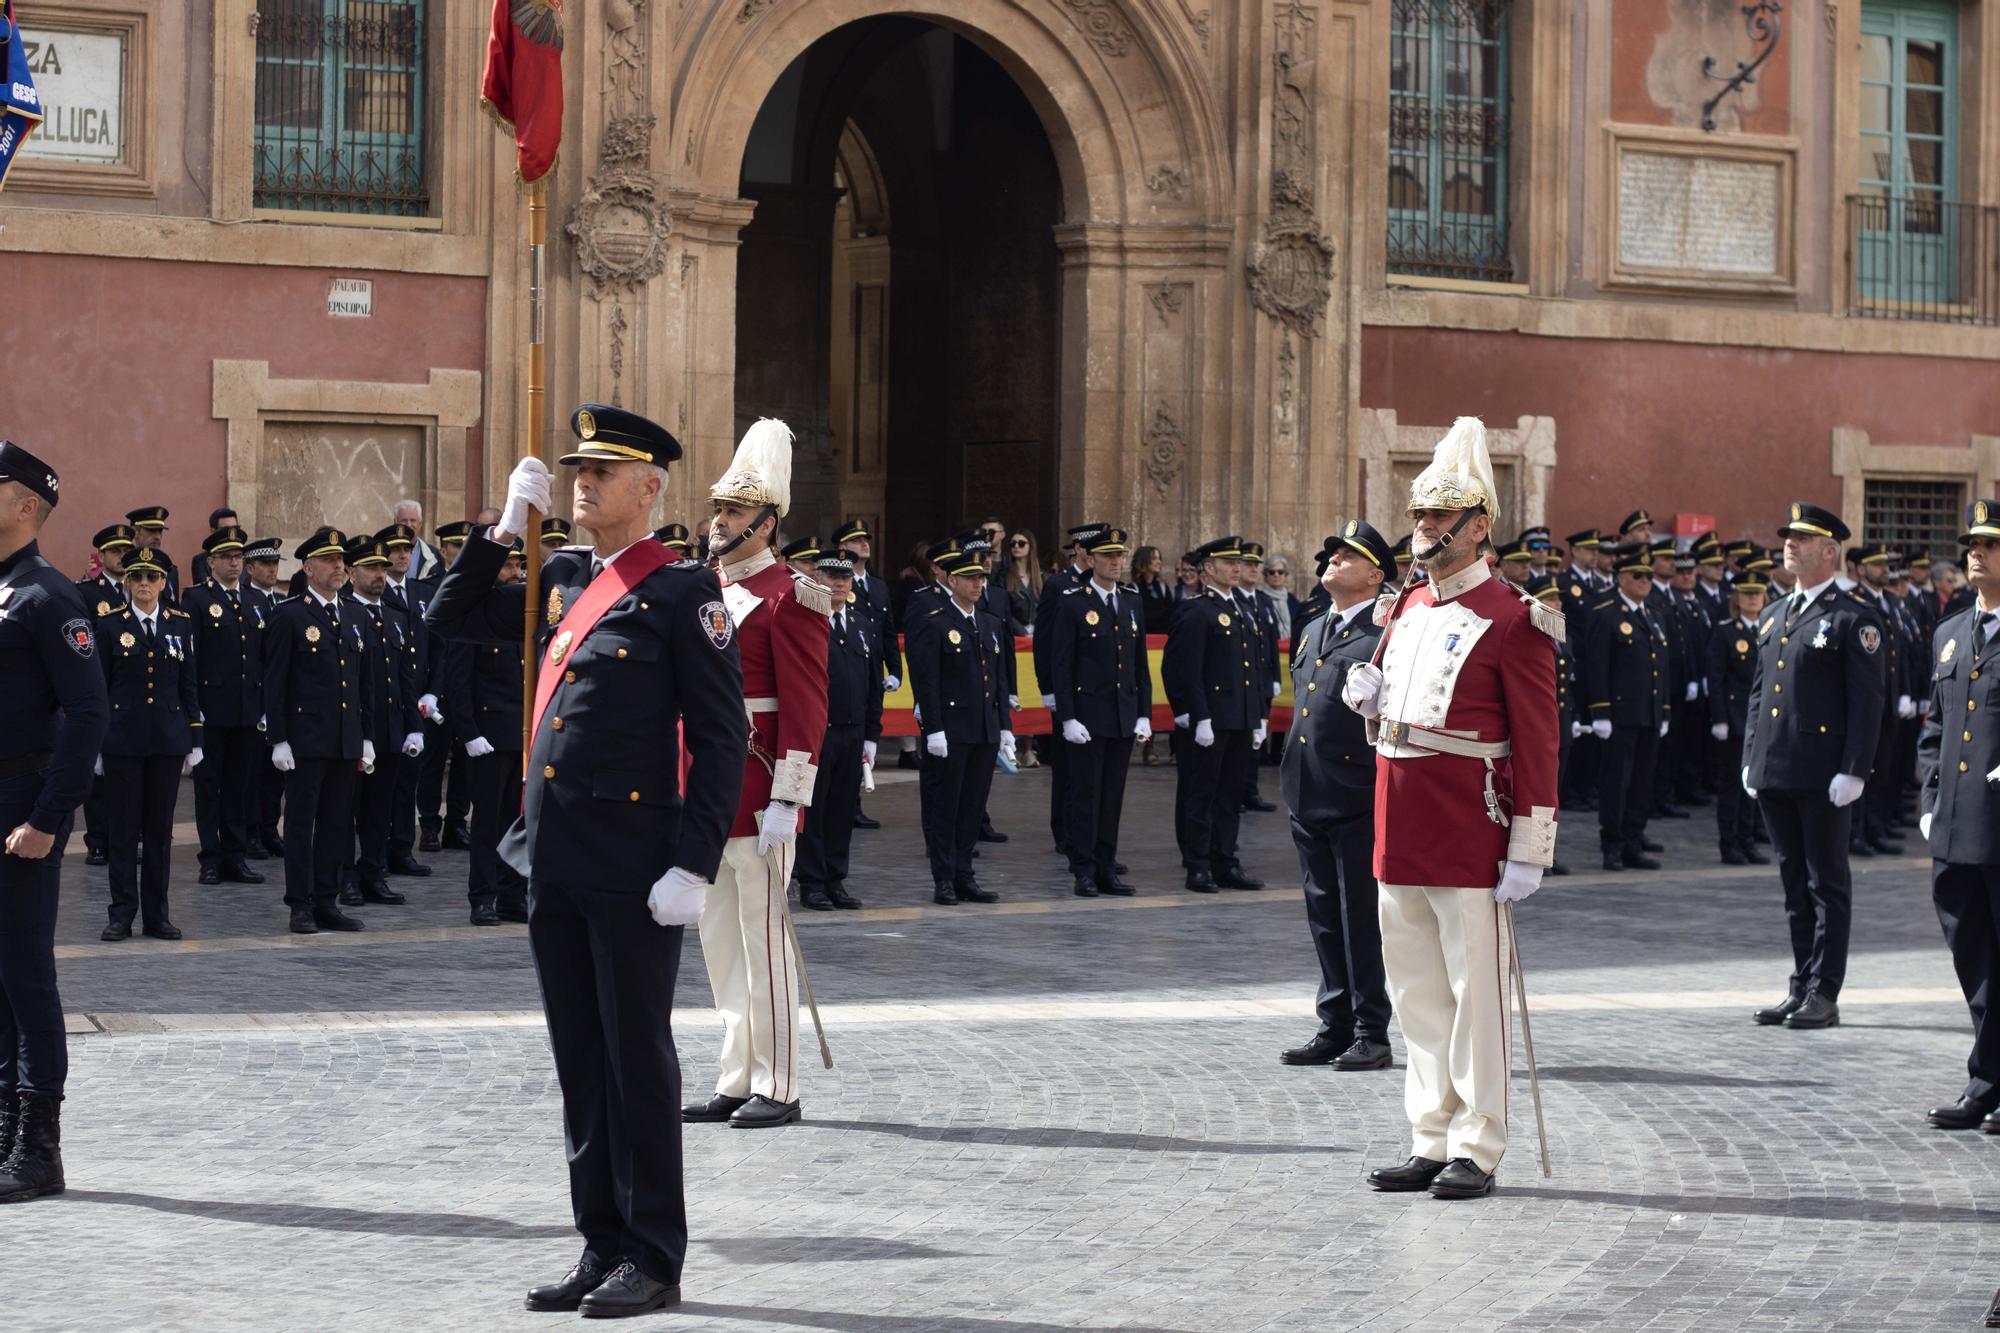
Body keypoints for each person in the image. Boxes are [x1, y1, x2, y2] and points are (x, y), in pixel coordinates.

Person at [428, 404, 744, 1317]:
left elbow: (723, 738)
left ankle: (654, 1252)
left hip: (633, 866)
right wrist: (497, 531)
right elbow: (449, 617)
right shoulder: (560, 576)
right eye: (575, 469)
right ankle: (600, 1240)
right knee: (579, 1060)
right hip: (553, 856)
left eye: (601, 471)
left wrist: (693, 863)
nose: (581, 481)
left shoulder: (686, 595)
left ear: (650, 488)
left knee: (635, 1060)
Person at [1340, 417, 1560, 1201]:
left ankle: (1479, 1142)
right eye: (1420, 516)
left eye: (1440, 518)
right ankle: (1429, 1133)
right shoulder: (1403, 607)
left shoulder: (1514, 617)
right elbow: (1396, 717)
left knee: (1474, 998)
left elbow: (1536, 739)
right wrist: (1365, 705)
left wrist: (1530, 845)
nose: (1424, 530)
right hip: (1399, 819)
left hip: (1473, 823)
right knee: (1416, 993)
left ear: (1479, 527)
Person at [685, 419, 831, 1132]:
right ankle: (736, 1073)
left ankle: (781, 1080)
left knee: (765, 940)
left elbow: (808, 711)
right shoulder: (702, 586)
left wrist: (789, 801)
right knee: (720, 940)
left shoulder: (791, 595)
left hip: (760, 784)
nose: (719, 521)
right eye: (718, 509)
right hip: (706, 787)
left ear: (767, 521)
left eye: (735, 511)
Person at [0, 440, 110, 1205]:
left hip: (21, 810)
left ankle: (40, 1148)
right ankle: (6, 1130)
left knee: (27, 976)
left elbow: (87, 713)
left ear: (26, 503)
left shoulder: (47, 595)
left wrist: (48, 816)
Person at [1742, 501, 1887, 1032]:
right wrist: (1751, 758)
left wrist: (1855, 769)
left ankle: (1826, 990)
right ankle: (1801, 983)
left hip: (1824, 776)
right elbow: (1760, 695)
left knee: (1827, 882)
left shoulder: (1854, 618)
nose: (1790, 544)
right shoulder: (1776, 613)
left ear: (1829, 551)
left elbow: (1867, 702)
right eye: (1788, 537)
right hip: (1776, 770)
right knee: (1792, 882)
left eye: (1802, 538)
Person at [1279, 519, 1396, 1072]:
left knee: (1359, 918)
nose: (1333, 562)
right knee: (1324, 914)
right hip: (1307, 791)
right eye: (1330, 555)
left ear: (1376, 574)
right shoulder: (1311, 628)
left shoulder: (1387, 636)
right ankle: (1335, 1023)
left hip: (1355, 794)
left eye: (1347, 557)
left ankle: (1372, 1028)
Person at [1918, 500, 2000, 1132]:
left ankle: (1988, 1080)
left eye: (1990, 544)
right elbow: (1936, 728)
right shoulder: (1949, 633)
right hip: (1954, 827)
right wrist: (1928, 799)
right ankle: (1990, 1078)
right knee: (1972, 955)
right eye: (1973, 543)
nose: (1976, 552)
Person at [264, 527, 373, 935]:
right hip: (305, 739)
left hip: (344, 739)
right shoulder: (289, 614)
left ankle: (326, 900)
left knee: (336, 823)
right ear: (309, 568)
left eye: (341, 560)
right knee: (300, 822)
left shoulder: (355, 615)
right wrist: (278, 737)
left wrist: (366, 737)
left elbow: (364, 683)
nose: (339, 566)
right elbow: (274, 682)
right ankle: (299, 904)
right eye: (329, 560)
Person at [94, 549, 200, 942]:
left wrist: (195, 737)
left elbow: (190, 684)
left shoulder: (180, 625)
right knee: (122, 831)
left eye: (151, 577)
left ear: (163, 584)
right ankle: (121, 914)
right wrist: (96, 745)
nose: (143, 584)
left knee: (159, 832)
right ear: (127, 582)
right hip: (123, 741)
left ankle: (157, 916)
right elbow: (100, 688)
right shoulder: (109, 626)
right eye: (136, 577)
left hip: (168, 741)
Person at [1044, 527, 1149, 898]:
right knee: (1086, 794)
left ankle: (1107, 866)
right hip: (1087, 715)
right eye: (1108, 557)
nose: (1116, 562)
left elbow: (1139, 665)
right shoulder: (1073, 602)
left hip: (1121, 714)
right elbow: (1063, 664)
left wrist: (1143, 713)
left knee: (1112, 796)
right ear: (1091, 561)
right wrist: (1068, 717)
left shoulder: (1132, 602)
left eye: (1119, 556)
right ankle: (1083, 868)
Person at [909, 547, 1015, 905]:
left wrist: (1004, 726)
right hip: (951, 730)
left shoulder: (989, 623)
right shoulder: (937, 621)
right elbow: (927, 680)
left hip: (983, 728)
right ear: (952, 580)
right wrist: (934, 728)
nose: (977, 584)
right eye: (970, 578)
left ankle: (964, 873)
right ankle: (944, 878)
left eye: (981, 578)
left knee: (972, 806)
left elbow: (997, 679)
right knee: (946, 806)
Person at [1163, 536, 1263, 894]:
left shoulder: (1243, 609)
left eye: (1238, 562)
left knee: (1230, 795)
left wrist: (1258, 717)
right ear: (1208, 569)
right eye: (1228, 562)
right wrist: (1195, 715)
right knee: (1200, 793)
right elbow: (1182, 669)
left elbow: (1251, 669)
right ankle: (1198, 864)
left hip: (1237, 717)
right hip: (1210, 719)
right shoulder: (1196, 610)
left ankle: (1225, 860)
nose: (1236, 567)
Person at [442, 531, 529, 925]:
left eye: (518, 566)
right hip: (488, 735)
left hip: (520, 734)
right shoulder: (477, 616)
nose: (515, 572)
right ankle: (483, 897)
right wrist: (469, 732)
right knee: (488, 822)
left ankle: (513, 895)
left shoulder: (523, 617)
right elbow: (457, 682)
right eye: (508, 566)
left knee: (517, 822)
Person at [337, 536, 423, 909]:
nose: (379, 575)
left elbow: (406, 678)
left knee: (379, 810)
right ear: (352, 572)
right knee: (344, 809)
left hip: (389, 729)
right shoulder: (343, 612)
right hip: (353, 730)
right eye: (371, 568)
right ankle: (344, 877)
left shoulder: (395, 617)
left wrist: (413, 726)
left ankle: (373, 873)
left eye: (383, 569)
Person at [181, 526, 267, 888]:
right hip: (212, 709)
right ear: (211, 561)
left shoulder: (255, 601)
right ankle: (210, 857)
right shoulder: (197, 599)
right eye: (227, 557)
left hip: (247, 710)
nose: (234, 562)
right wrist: (193, 710)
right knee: (209, 786)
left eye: (238, 557)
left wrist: (264, 706)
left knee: (240, 785)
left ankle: (235, 855)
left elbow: (263, 659)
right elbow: (191, 657)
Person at [796, 553, 881, 911]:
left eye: (845, 577)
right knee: (813, 810)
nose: (840, 583)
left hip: (852, 731)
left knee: (842, 809)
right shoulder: (805, 621)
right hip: (818, 731)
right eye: (832, 576)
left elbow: (873, 682)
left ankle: (836, 878)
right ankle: (812, 882)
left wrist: (872, 734)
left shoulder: (862, 624)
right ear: (818, 578)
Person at [1581, 542, 1667, 872]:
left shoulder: (1654, 615)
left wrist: (1666, 710)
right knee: (1617, 783)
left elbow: (1663, 668)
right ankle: (1612, 846)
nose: (1645, 580)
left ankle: (1634, 839)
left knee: (1642, 782)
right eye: (1638, 575)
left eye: (1648, 575)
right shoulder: (1607, 614)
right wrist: (1600, 712)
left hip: (1648, 714)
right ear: (1621, 578)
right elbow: (1597, 667)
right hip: (1619, 716)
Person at [377, 523, 441, 879]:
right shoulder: (375, 593)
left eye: (407, 549)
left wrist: (433, 691)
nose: (402, 555)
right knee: (383, 783)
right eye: (395, 550)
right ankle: (377, 849)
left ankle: (402, 847)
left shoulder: (423, 592)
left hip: (418, 703)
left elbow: (439, 648)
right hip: (389, 704)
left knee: (408, 781)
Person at [75, 523, 135, 867]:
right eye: (115, 552)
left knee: (127, 770)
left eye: (126, 551)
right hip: (100, 686)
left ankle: (125, 838)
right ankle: (97, 839)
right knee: (99, 771)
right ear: (102, 556)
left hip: (134, 689)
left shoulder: (142, 587)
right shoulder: (86, 593)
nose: (121, 558)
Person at [831, 519, 897, 821]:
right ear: (843, 548)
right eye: (857, 541)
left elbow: (886, 633)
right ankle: (851, 804)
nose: (864, 544)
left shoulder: (878, 586)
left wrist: (894, 669)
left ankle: (854, 798)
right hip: (849, 668)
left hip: (871, 670)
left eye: (865, 539)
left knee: (867, 732)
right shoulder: (841, 585)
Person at [1706, 571, 1771, 867]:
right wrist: (1718, 718)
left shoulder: (1771, 629)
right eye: (1747, 594)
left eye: (1757, 593)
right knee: (1732, 785)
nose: (1753, 599)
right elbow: (1716, 679)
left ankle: (1748, 840)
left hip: (1762, 721)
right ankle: (1729, 844)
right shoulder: (1725, 632)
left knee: (1754, 784)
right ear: (1737, 598)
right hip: (1734, 720)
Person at [242, 536, 288, 859]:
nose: (272, 569)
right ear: (250, 568)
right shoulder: (243, 601)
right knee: (252, 773)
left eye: (275, 564)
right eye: (265, 564)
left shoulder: (283, 602)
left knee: (276, 775)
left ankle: (270, 828)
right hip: (255, 700)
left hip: (281, 701)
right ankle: (250, 833)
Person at [124, 506, 180, 604]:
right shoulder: (122, 567)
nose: (158, 537)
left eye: (160, 531)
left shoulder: (170, 571)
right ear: (135, 532)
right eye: (152, 530)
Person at [392, 498, 444, 581]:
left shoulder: (434, 555)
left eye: (413, 520)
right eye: (404, 520)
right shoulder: (385, 551)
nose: (409, 524)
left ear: (420, 524)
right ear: (395, 523)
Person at [187, 506, 238, 587]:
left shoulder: (244, 560)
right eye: (225, 530)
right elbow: (207, 588)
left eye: (235, 529)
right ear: (213, 532)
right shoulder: (201, 561)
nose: (231, 534)